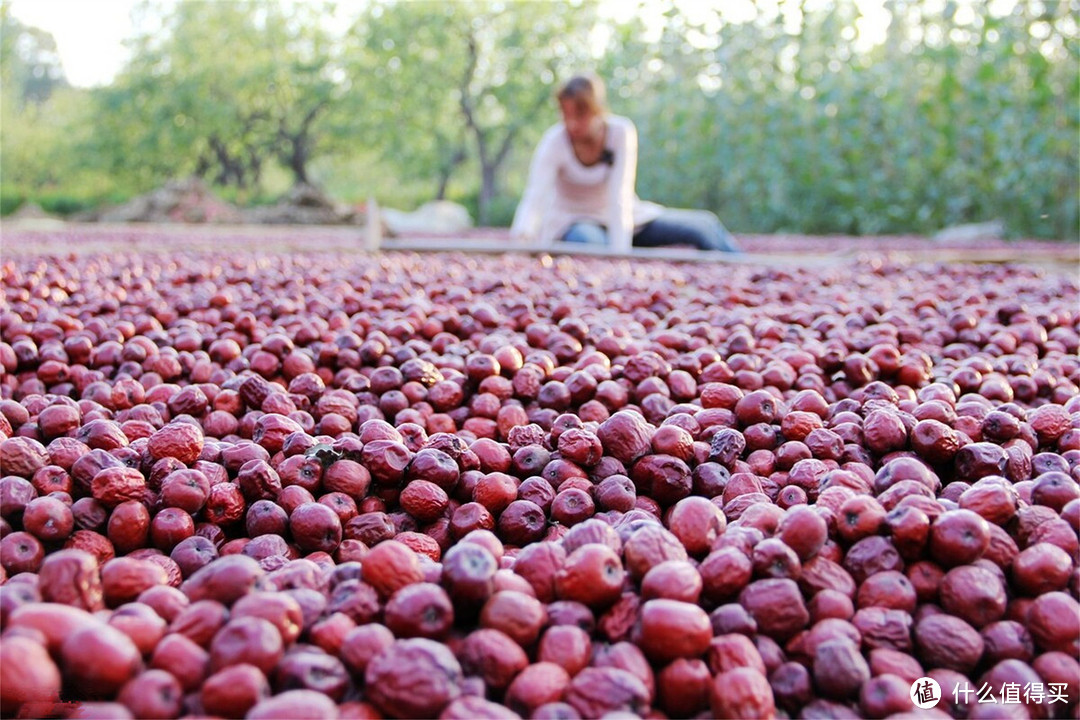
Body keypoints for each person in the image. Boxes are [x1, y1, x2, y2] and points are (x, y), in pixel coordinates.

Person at [510, 73, 740, 254]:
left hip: (626, 220)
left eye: (580, 115)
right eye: (566, 115)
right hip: (575, 222)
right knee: (589, 244)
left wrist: (621, 255)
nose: (572, 124)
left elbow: (619, 196)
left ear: (597, 109)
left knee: (704, 225)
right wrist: (522, 237)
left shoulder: (620, 132)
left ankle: (751, 277)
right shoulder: (554, 141)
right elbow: (535, 195)